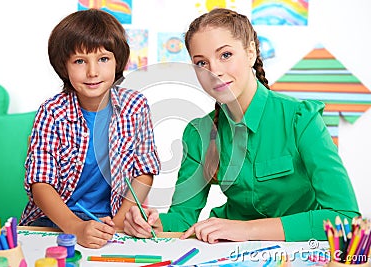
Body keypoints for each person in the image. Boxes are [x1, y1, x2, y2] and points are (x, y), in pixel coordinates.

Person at [123, 8, 360, 243]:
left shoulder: (301, 118)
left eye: (225, 55)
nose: (214, 71)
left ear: (250, 53)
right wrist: (150, 223)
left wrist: (246, 230)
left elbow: (346, 219)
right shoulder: (199, 133)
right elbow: (183, 219)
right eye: (201, 63)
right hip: (227, 254)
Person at [19, 9, 160, 248]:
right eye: (80, 61)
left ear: (118, 62)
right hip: (55, 222)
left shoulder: (136, 106)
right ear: (64, 66)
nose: (92, 72)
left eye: (103, 59)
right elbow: (40, 183)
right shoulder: (52, 111)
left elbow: (144, 170)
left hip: (113, 218)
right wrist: (75, 228)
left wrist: (116, 223)